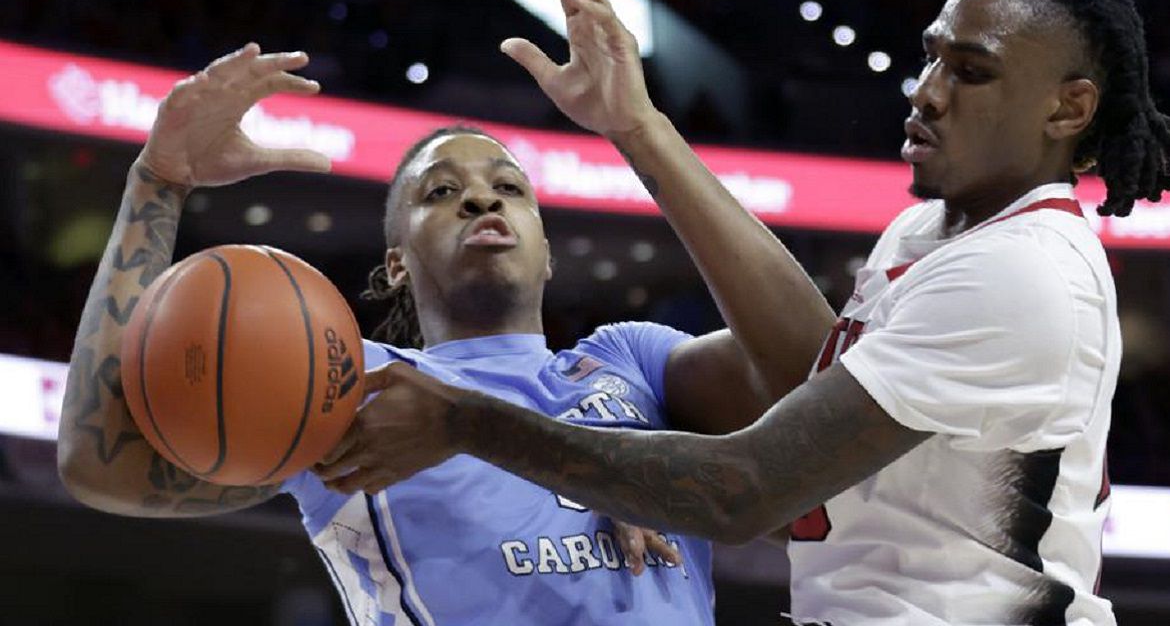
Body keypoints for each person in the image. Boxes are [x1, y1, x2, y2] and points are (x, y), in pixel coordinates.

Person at [317, 0, 1170, 626]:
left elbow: (744, 489)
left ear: (1068, 106)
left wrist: (479, 429)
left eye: (970, 72)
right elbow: (804, 379)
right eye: (931, 54)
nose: (924, 89)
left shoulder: (1023, 274)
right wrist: (636, 124)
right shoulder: (928, 232)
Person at [56, 43, 836, 623]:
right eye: (441, 191)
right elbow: (102, 464)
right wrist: (157, 183)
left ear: (550, 249)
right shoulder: (346, 388)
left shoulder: (632, 360)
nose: (480, 200)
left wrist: (639, 127)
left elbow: (818, 375)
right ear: (396, 264)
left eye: (508, 188)